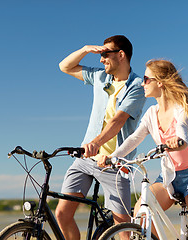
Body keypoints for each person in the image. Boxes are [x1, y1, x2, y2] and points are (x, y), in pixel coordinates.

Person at [98, 59, 188, 240]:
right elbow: (134, 138)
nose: (142, 83)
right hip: (168, 177)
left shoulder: (180, 107)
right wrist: (112, 157)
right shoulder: (151, 113)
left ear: (160, 82)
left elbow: (181, 128)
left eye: (146, 79)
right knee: (142, 210)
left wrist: (179, 140)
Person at [56, 35, 146, 240]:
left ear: (121, 55)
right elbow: (65, 66)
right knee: (62, 214)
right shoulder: (100, 78)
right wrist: (86, 48)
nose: (101, 59)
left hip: (114, 164)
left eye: (105, 54)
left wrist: (95, 143)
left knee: (122, 229)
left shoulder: (137, 86)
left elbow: (118, 121)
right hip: (85, 159)